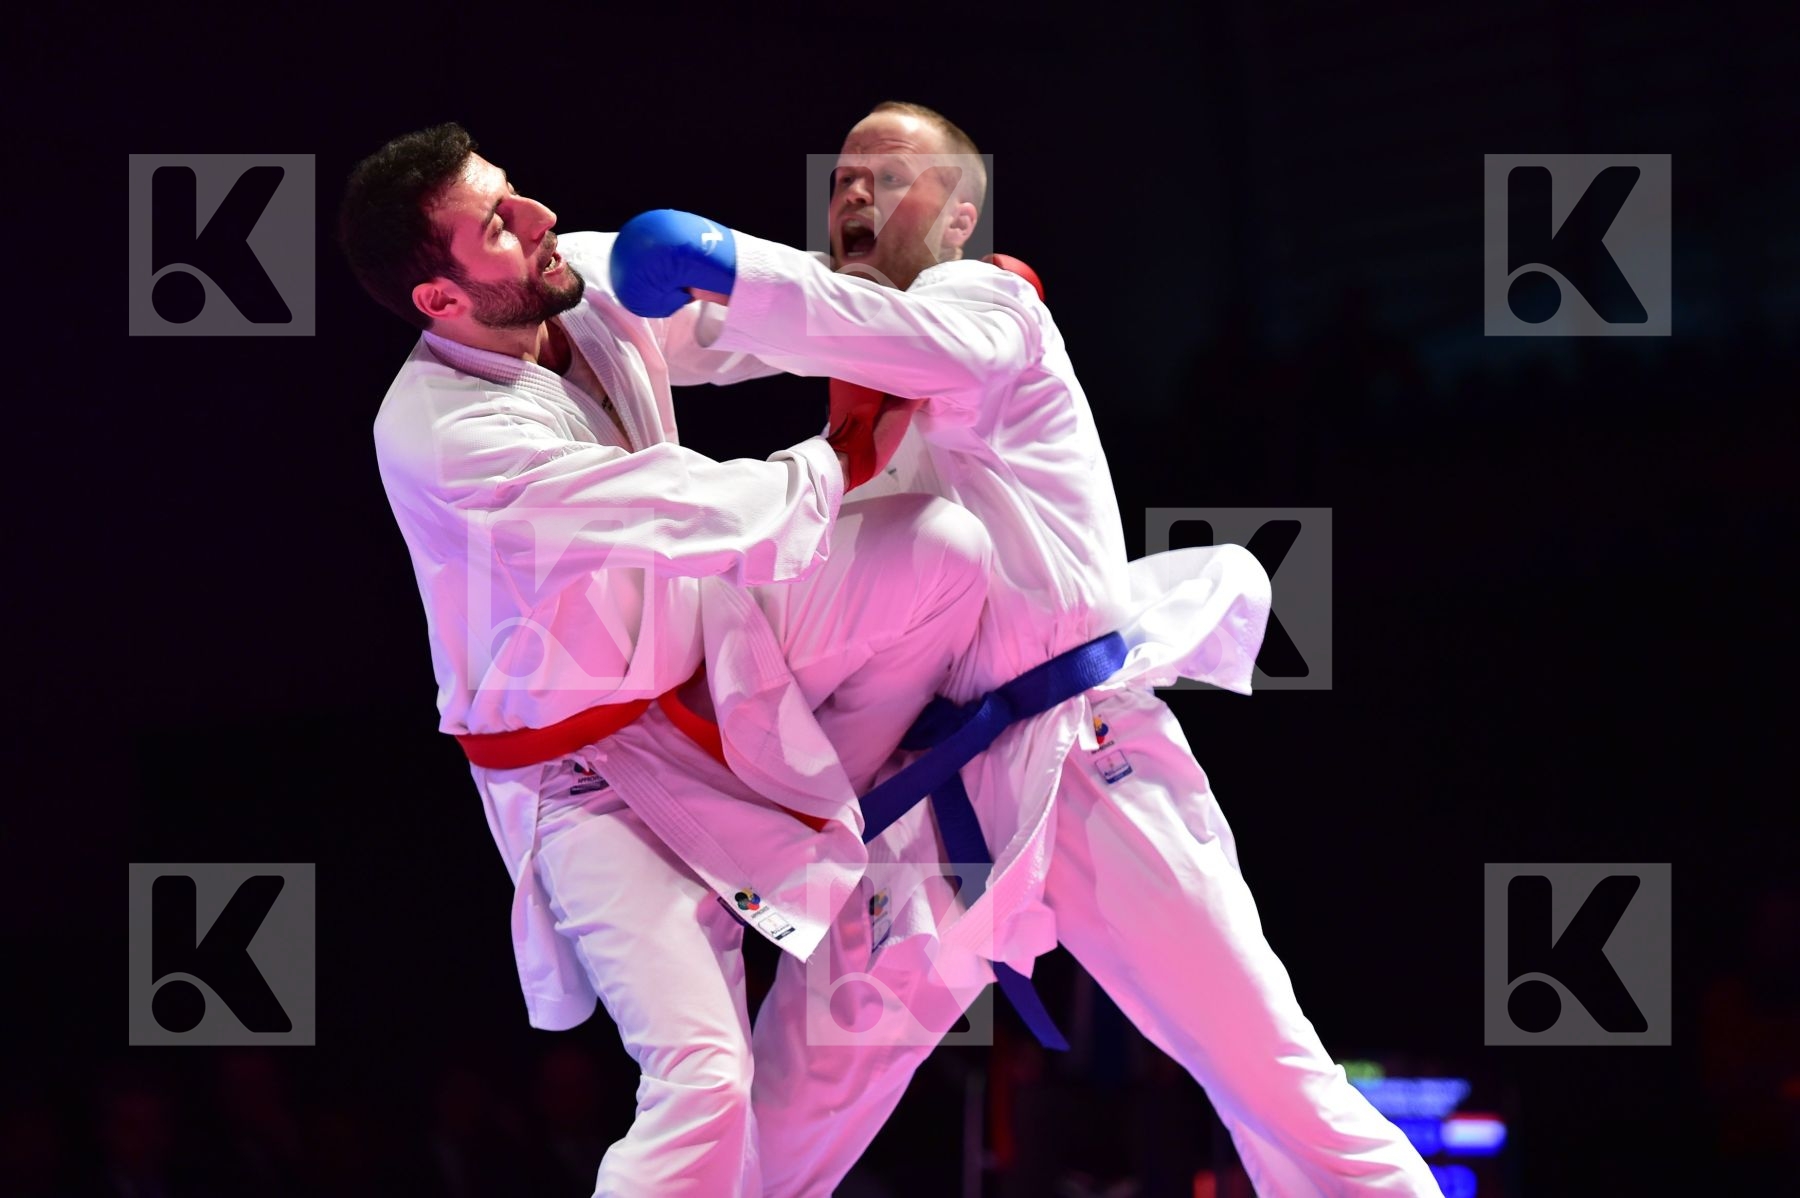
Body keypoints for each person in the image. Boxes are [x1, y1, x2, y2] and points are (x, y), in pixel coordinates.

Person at [611, 101, 1444, 1196]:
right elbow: (703, 332)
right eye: (843, 177)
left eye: (887, 176)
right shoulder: (844, 357)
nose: (854, 191)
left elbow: (850, 323)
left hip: (1090, 761)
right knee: (773, 1132)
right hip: (930, 806)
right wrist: (553, 280)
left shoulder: (994, 309)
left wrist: (726, 261)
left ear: (960, 216)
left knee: (1278, 1082)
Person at [338, 122, 995, 1197]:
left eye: (515, 190)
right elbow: (689, 512)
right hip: (585, 776)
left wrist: (906, 293)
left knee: (941, 549)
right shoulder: (442, 437)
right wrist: (842, 454)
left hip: (708, 659)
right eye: (498, 224)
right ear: (439, 298)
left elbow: (747, 324)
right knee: (703, 1079)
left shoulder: (579, 280)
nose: (539, 218)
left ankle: (853, 785)